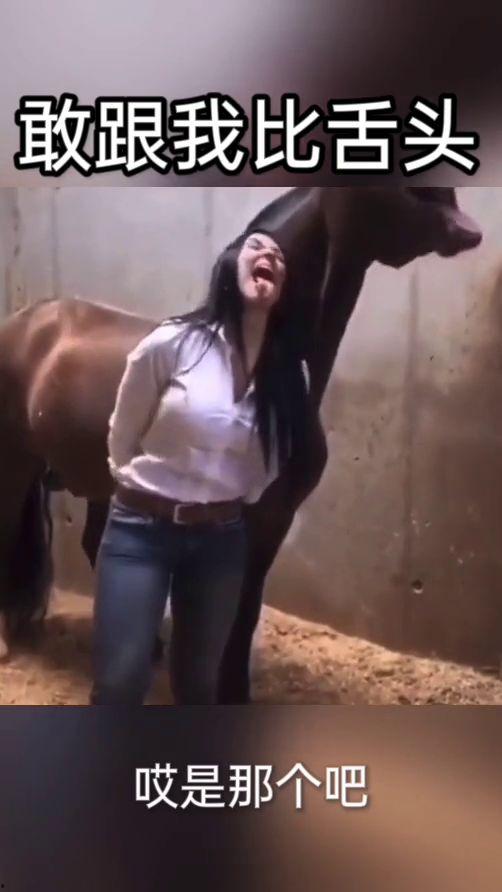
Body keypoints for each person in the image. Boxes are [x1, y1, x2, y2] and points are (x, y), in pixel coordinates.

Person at [90, 226, 310, 705]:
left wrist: (230, 500)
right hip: (140, 532)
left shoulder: (290, 374)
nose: (269, 254)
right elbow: (123, 432)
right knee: (120, 681)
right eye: (256, 246)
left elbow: (272, 461)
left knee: (198, 686)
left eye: (279, 256)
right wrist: (138, 485)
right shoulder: (174, 342)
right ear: (230, 265)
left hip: (220, 541)